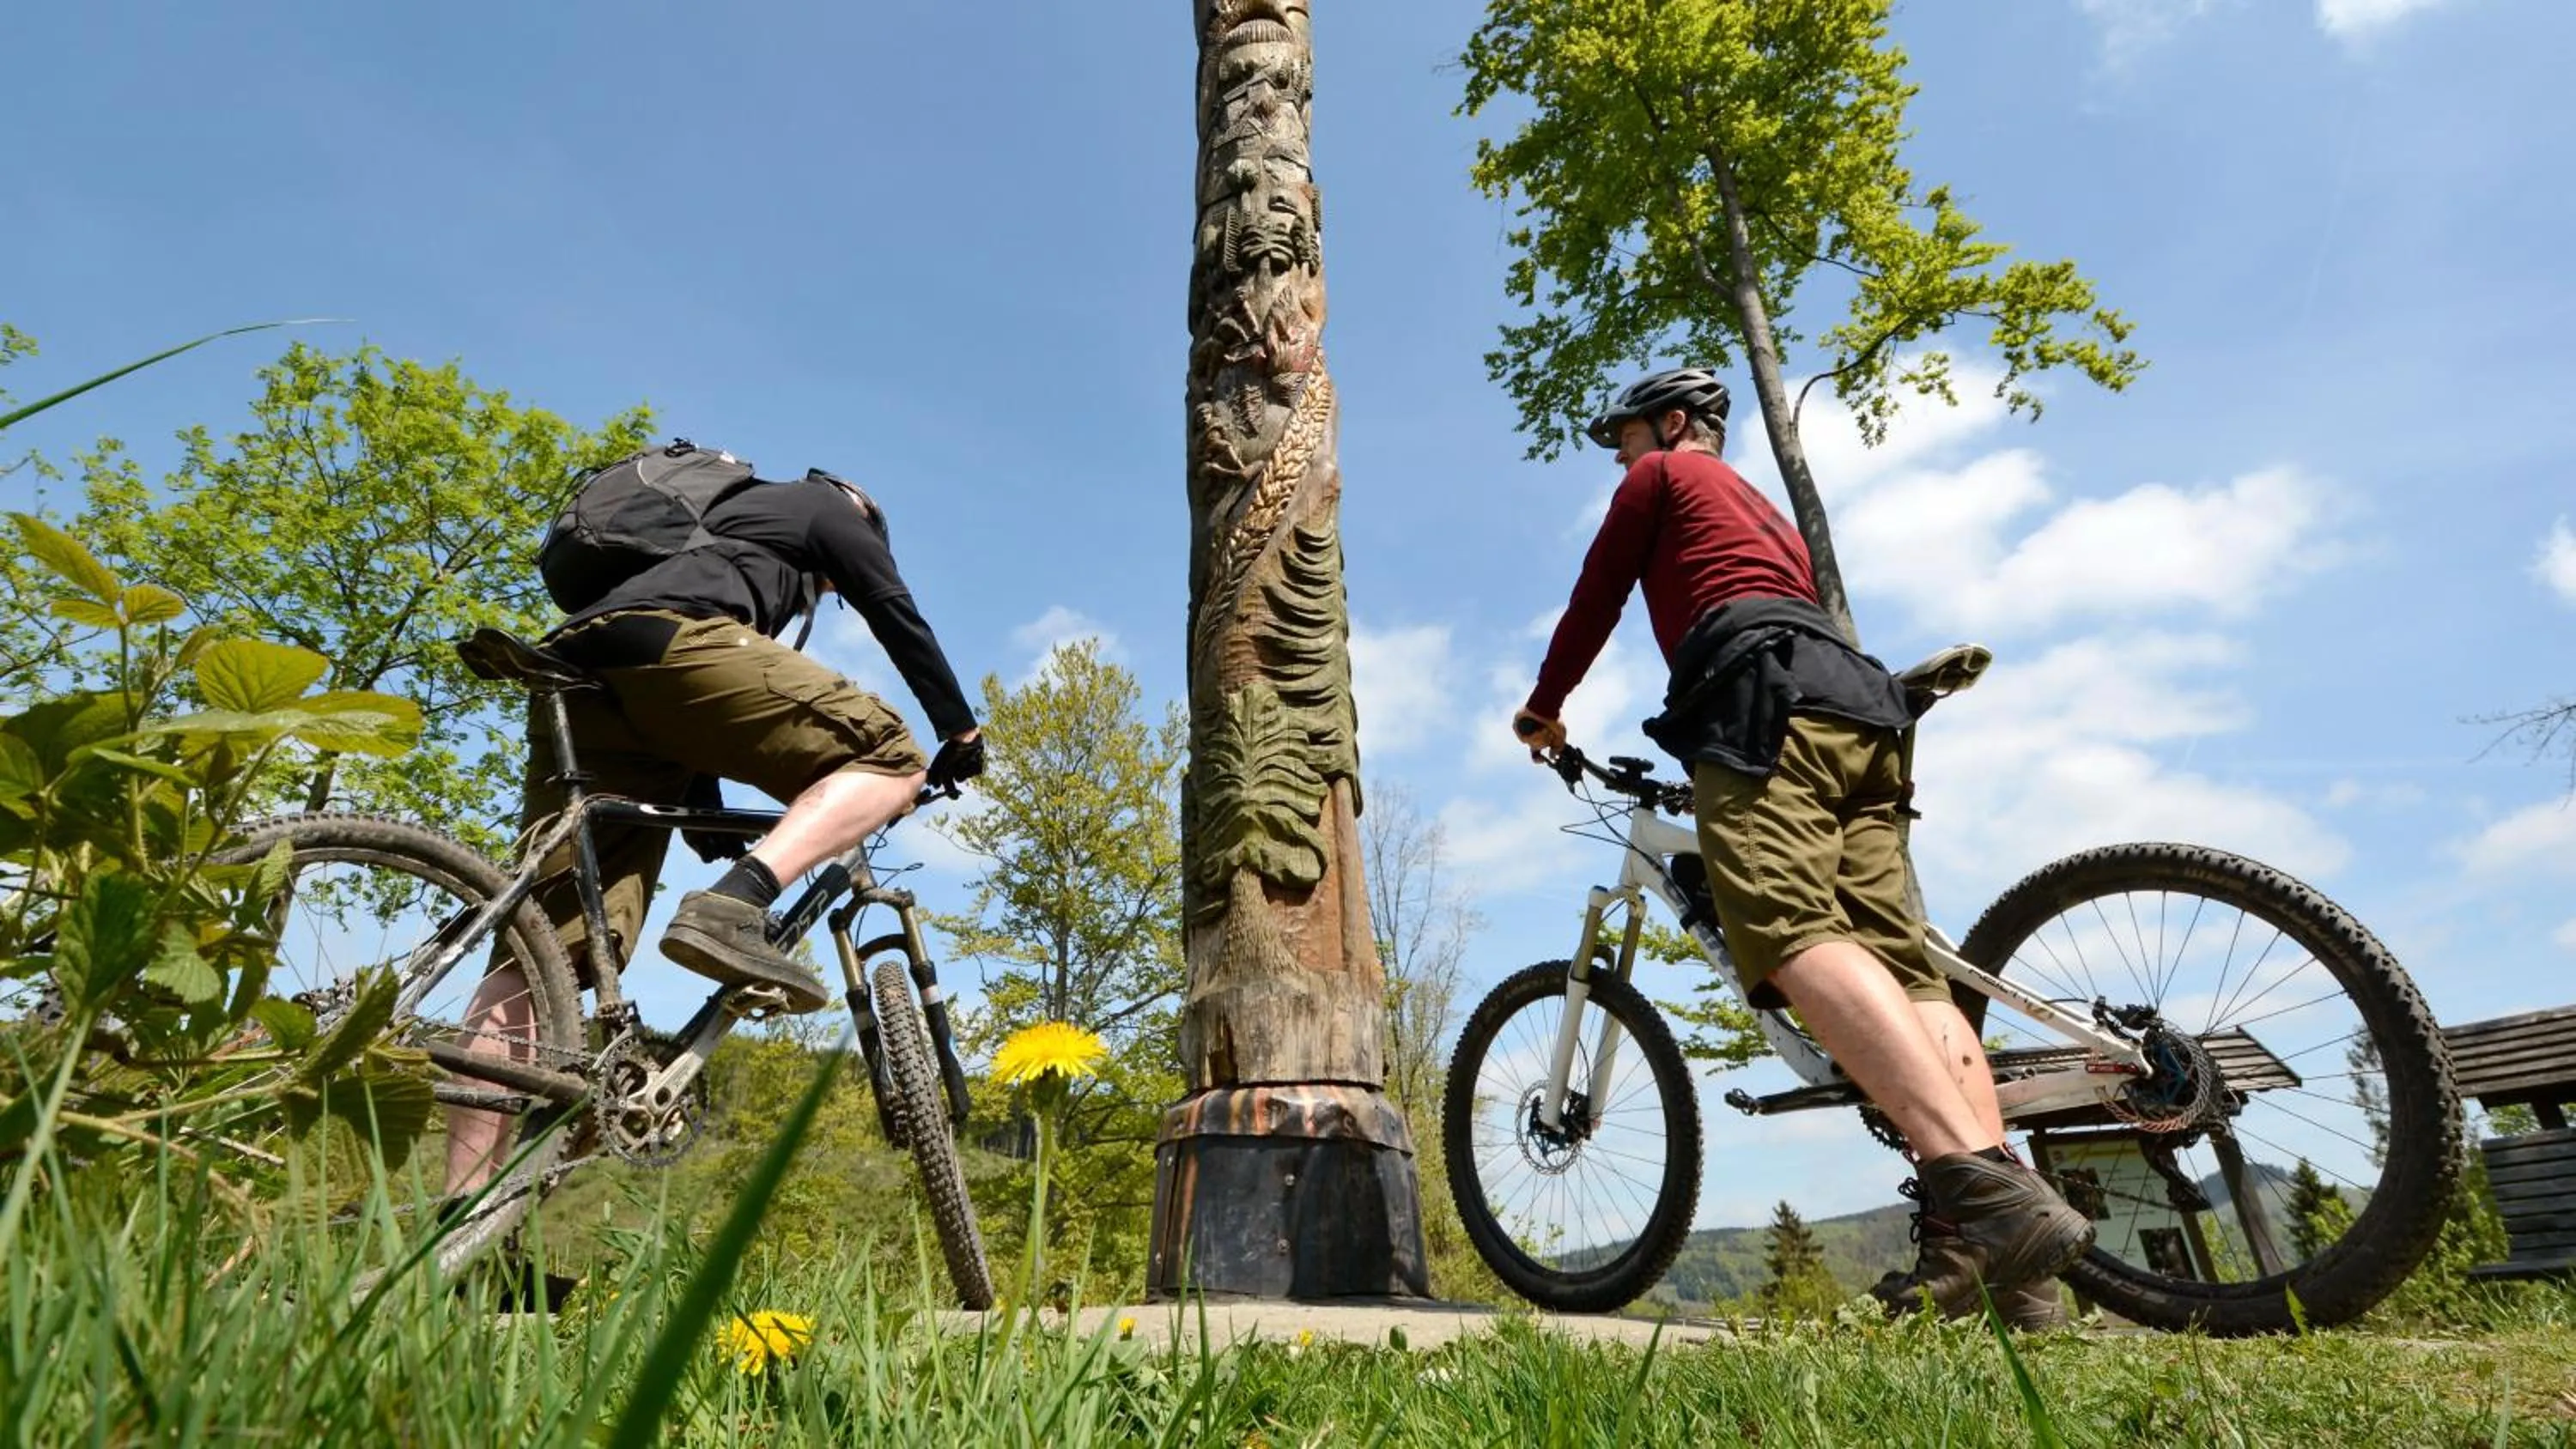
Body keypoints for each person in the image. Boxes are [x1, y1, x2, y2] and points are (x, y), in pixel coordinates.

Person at [1511, 367, 2090, 1325]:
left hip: (1762, 698)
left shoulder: (1661, 480)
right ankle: (2011, 1274)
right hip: (1864, 712)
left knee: (1781, 922)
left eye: (1624, 433)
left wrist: (1543, 708)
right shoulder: (1765, 514)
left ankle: (1983, 1197)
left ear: (1673, 424)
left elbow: (1599, 591)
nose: (1619, 452)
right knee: (1909, 973)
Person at [448, 459, 984, 1195]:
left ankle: (464, 1220)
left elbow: (680, 718)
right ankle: (735, 906)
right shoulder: (822, 507)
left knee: (545, 956)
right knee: (889, 758)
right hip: (669, 648)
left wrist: (709, 819)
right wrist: (958, 731)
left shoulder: (713, 540)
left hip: (581, 668)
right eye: (826, 587)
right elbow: (891, 605)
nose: (824, 590)